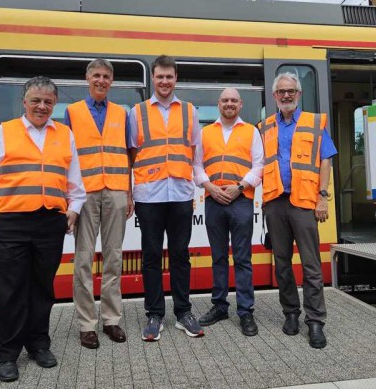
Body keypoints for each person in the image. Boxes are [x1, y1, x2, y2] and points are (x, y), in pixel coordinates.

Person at [0, 76, 86, 382]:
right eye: (36, 100)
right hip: (10, 223)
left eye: (48, 101)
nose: (42, 106)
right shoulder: (4, 133)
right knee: (8, 290)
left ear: (54, 104)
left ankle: (38, 345)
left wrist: (73, 210)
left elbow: (75, 182)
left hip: (50, 221)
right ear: (24, 102)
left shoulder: (64, 134)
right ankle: (7, 354)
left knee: (41, 287)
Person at [128, 55, 204, 341]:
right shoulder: (136, 112)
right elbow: (131, 155)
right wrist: (130, 192)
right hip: (149, 194)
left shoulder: (189, 111)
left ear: (176, 78)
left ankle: (183, 312)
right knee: (150, 256)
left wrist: (199, 184)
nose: (164, 81)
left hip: (181, 193)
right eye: (159, 76)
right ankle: (154, 314)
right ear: (153, 78)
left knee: (181, 254)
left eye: (169, 76)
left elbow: (195, 152)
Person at [259, 72, 337, 349]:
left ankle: (315, 321)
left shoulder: (315, 123)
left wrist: (323, 197)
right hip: (276, 203)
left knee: (311, 265)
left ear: (299, 94)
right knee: (282, 264)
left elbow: (326, 160)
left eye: (291, 90)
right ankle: (291, 313)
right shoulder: (265, 126)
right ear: (274, 96)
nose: (286, 95)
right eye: (281, 91)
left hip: (304, 202)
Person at [65, 59, 134, 349]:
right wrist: (70, 198)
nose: (101, 80)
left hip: (116, 191)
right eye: (96, 75)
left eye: (106, 76)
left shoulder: (122, 113)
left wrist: (129, 192)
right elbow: (66, 157)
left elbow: (129, 155)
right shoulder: (72, 112)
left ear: (111, 81)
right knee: (83, 259)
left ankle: (111, 320)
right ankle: (85, 324)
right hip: (86, 193)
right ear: (87, 78)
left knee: (114, 257)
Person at [194, 88, 263, 336]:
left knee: (243, 259)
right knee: (218, 257)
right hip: (213, 200)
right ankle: (220, 307)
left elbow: (259, 165)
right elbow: (197, 166)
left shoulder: (251, 131)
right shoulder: (205, 133)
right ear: (219, 104)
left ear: (241, 105)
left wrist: (240, 187)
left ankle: (245, 312)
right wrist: (210, 187)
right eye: (225, 100)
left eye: (234, 100)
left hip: (241, 200)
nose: (229, 104)